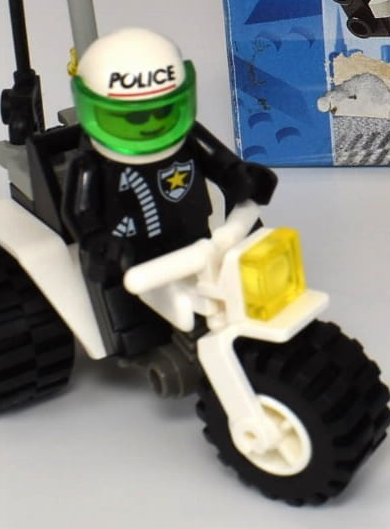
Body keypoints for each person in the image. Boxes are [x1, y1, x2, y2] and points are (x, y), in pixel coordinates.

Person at [60, 27, 276, 356]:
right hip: (131, 260)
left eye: (163, 111)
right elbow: (80, 210)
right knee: (137, 329)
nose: (151, 125)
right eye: (134, 117)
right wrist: (95, 239)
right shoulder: (91, 164)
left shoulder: (188, 139)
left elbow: (223, 165)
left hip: (194, 240)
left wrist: (243, 177)